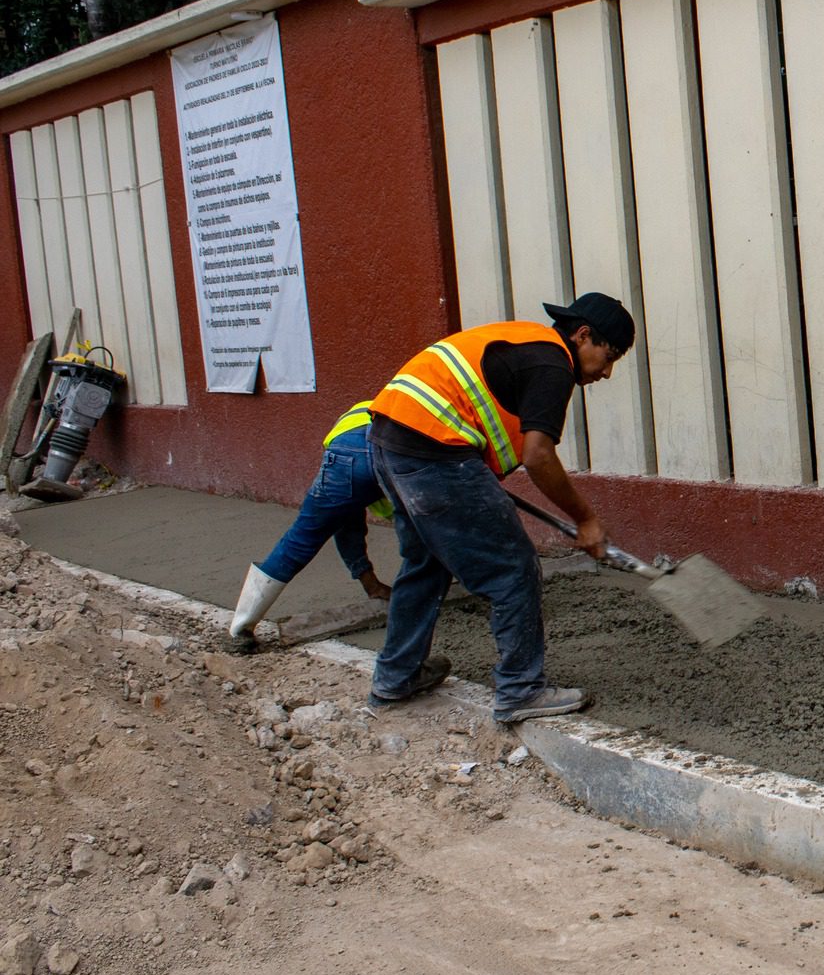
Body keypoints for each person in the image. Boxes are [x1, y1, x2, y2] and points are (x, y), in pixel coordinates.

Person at [364, 293, 630, 725]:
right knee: (512, 567)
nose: (607, 371)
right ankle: (521, 690)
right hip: (435, 452)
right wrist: (586, 519)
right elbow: (538, 456)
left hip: (390, 441)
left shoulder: (527, 345)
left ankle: (396, 677)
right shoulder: (553, 364)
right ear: (583, 336)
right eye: (609, 354)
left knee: (425, 564)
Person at [225, 400, 394, 654]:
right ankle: (425, 591)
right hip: (393, 447)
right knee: (421, 525)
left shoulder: (364, 409)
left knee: (301, 538)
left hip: (342, 451)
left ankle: (240, 630)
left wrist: (368, 581)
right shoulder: (406, 415)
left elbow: (347, 522)